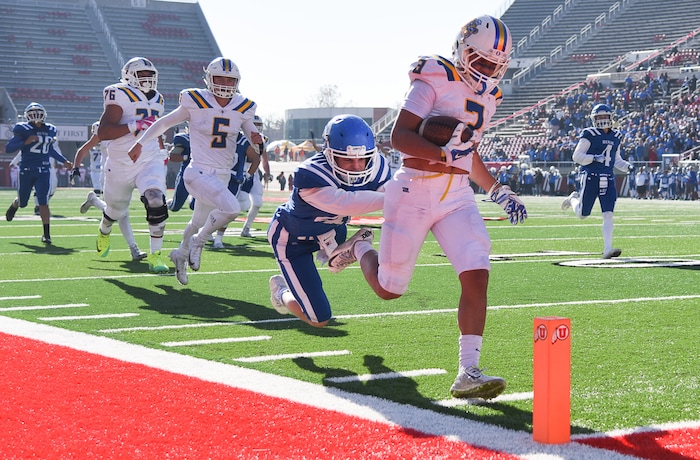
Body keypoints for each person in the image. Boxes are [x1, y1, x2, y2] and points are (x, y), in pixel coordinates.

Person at [325, 16, 526, 400]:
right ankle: (359, 248)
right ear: (462, 51)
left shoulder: (490, 97)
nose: (486, 72)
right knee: (389, 289)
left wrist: (497, 189)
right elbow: (399, 136)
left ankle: (468, 371)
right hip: (414, 189)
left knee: (477, 269)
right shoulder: (434, 75)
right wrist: (440, 151)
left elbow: (469, 152)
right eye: (481, 61)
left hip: (457, 195)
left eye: (494, 66)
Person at [128, 56, 263, 285]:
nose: (224, 84)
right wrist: (140, 142)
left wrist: (257, 139)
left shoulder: (243, 106)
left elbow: (252, 134)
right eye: (219, 78)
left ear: (237, 82)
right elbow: (163, 123)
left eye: (229, 80)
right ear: (208, 78)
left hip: (221, 174)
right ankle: (199, 243)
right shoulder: (195, 99)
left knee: (197, 221)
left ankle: (180, 254)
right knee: (231, 209)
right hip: (198, 171)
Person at [267, 114, 390, 327]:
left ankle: (340, 251)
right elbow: (348, 203)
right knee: (319, 319)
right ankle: (281, 292)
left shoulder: (377, 166)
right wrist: (399, 197)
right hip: (291, 240)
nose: (357, 166)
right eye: (348, 159)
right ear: (330, 153)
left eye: (363, 158)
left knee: (337, 226)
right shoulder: (310, 174)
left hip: (331, 229)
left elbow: (391, 199)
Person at [94, 57, 169, 273]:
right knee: (116, 209)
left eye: (150, 75)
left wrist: (162, 150)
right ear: (129, 75)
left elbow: (157, 128)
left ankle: (156, 255)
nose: (147, 79)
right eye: (142, 74)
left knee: (155, 200)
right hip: (121, 161)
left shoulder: (158, 99)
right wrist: (134, 125)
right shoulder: (118, 93)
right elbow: (104, 132)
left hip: (149, 157)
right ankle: (104, 230)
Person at [561, 103, 632, 259]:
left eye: (604, 116)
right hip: (591, 177)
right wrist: (593, 158)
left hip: (608, 179)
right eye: (598, 117)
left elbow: (616, 160)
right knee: (582, 214)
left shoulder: (616, 136)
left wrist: (629, 167)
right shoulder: (589, 134)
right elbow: (576, 156)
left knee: (608, 215)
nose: (602, 119)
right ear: (593, 119)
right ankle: (573, 199)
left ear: (610, 117)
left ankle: (607, 248)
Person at [73, 121, 147, 261]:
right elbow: (84, 149)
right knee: (122, 214)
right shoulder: (104, 134)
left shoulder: (123, 132)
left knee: (117, 212)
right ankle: (133, 248)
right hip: (109, 176)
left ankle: (94, 200)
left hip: (125, 174)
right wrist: (75, 167)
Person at [5, 102, 73, 244]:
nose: (36, 114)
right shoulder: (23, 129)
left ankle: (46, 234)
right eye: (32, 112)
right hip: (27, 170)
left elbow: (49, 149)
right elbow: (9, 148)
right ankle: (15, 204)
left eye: (38, 111)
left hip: (43, 170)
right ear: (27, 115)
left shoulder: (50, 129)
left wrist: (64, 161)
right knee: (23, 202)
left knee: (43, 201)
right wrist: (26, 142)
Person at [237, 115, 271, 238]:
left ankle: (246, 228)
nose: (256, 128)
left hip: (254, 173)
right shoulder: (239, 137)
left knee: (257, 202)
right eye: (254, 124)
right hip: (239, 170)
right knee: (240, 206)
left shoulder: (263, 139)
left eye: (258, 125)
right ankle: (214, 228)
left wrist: (267, 173)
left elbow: (264, 159)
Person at [166, 127, 194, 212]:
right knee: (175, 207)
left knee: (194, 206)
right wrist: (187, 157)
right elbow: (172, 156)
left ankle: (193, 197)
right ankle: (166, 202)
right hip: (186, 175)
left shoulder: (208, 139)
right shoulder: (184, 139)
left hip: (204, 175)